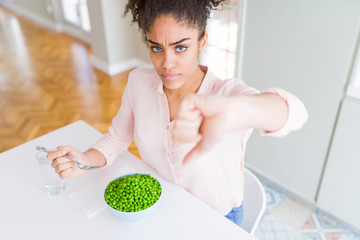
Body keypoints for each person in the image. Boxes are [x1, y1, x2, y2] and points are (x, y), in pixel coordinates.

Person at [48, 0, 308, 227]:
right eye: (156, 48)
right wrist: (84, 160)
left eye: (180, 47)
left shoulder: (227, 94)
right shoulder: (138, 82)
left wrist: (234, 111)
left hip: (218, 218)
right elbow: (116, 139)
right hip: (163, 205)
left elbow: (293, 114)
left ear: (202, 40)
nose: (167, 63)